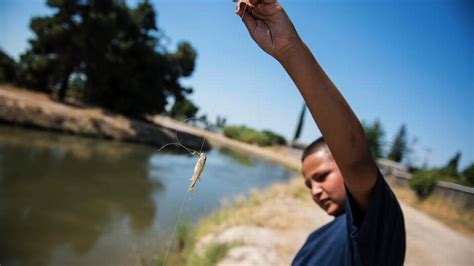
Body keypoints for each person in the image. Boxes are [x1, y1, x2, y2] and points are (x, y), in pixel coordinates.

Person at [235, 1, 406, 265]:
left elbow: (355, 156)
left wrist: (289, 49)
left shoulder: (377, 230)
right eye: (308, 184)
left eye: (322, 176)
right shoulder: (317, 238)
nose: (315, 191)